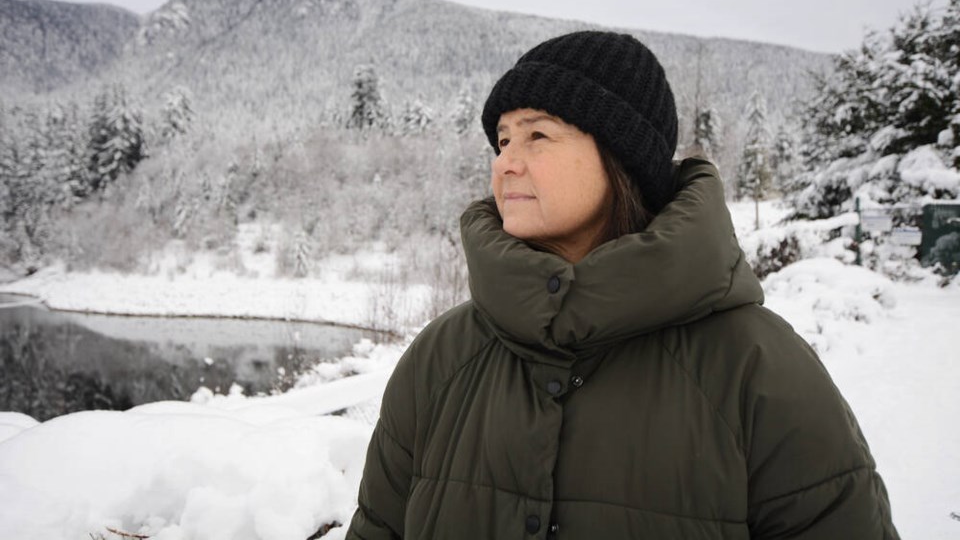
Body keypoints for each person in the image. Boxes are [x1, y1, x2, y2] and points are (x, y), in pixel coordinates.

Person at [345, 31, 899, 539]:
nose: (506, 164)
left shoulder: (758, 368)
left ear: (622, 157)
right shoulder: (440, 358)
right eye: (503, 139)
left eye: (537, 134)